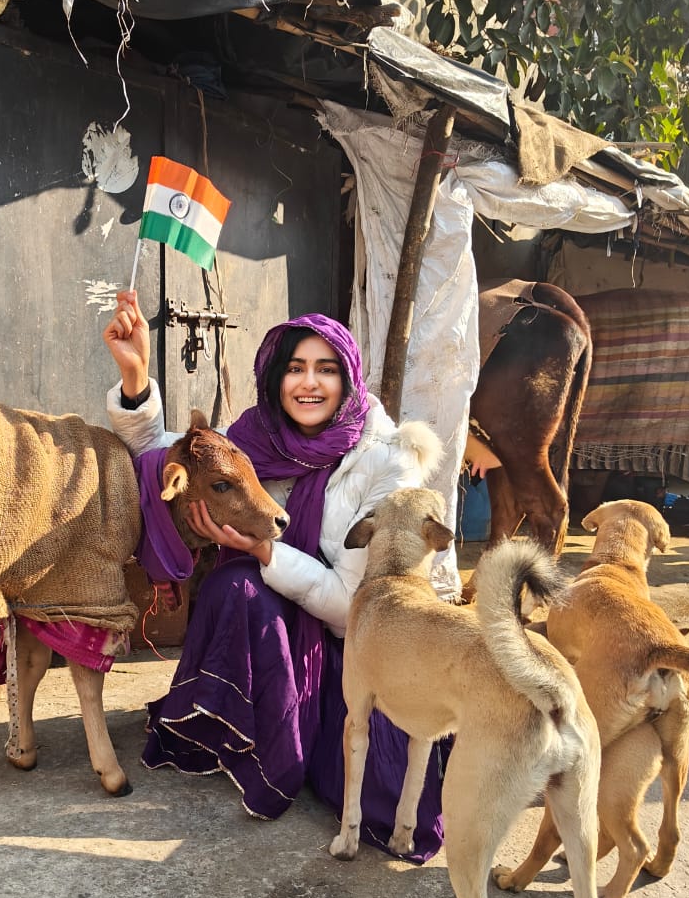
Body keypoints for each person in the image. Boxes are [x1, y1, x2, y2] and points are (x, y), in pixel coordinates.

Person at [103, 289, 450, 860]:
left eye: (326, 369)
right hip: (280, 622)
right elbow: (167, 456)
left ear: (349, 378)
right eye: (294, 369)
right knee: (231, 586)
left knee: (380, 800)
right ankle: (251, 728)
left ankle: (297, 728)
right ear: (273, 378)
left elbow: (353, 603)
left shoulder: (387, 460)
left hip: (354, 646)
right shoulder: (253, 439)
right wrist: (137, 377)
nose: (309, 384)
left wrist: (266, 552)